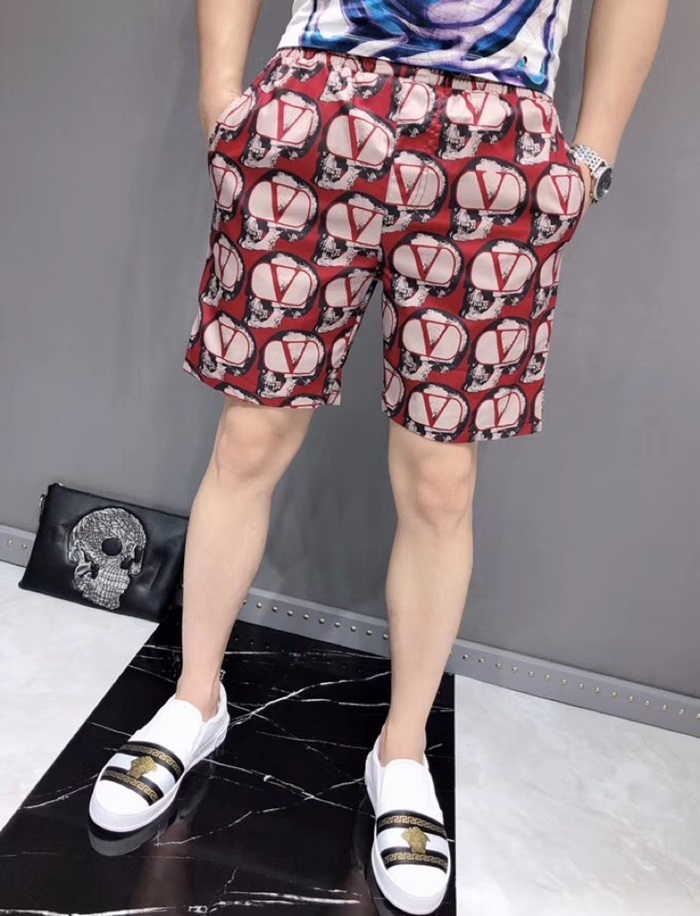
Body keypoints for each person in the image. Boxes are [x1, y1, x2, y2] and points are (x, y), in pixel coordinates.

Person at [89, 1, 669, 912]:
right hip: (320, 100)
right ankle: (195, 700)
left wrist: (589, 157)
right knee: (250, 435)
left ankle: (402, 751)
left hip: (499, 134)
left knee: (442, 479)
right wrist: (221, 93)